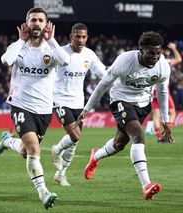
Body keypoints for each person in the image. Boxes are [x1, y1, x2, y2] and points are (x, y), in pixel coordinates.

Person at [76, 31, 174, 200]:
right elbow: (103, 84)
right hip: (121, 100)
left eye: (158, 53)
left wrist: (166, 121)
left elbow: (163, 92)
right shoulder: (125, 61)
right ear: (141, 50)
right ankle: (146, 185)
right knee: (138, 136)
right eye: (151, 53)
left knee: (119, 144)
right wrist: (87, 108)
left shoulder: (163, 66)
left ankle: (95, 156)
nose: (155, 57)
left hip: (144, 104)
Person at [0, 7, 70, 209]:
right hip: (21, 106)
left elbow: (66, 61)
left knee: (25, 152)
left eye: (40, 20)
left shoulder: (52, 49)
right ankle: (44, 193)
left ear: (46, 25)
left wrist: (52, 40)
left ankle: (8, 141)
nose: (37, 23)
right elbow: (6, 60)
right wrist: (20, 40)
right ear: (26, 24)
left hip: (44, 110)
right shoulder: (19, 47)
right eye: (33, 20)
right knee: (35, 150)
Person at [51, 23, 106, 186]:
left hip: (78, 102)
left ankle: (61, 174)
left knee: (74, 142)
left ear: (87, 37)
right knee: (75, 136)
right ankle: (56, 149)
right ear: (71, 37)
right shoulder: (60, 52)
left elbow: (104, 73)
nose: (80, 40)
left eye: (83, 37)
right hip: (60, 100)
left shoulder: (89, 55)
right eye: (77, 36)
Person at [145, 42, 182, 143]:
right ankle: (167, 136)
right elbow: (179, 59)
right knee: (172, 112)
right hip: (163, 91)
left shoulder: (150, 64)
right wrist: (174, 48)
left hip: (152, 92)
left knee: (156, 116)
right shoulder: (165, 62)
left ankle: (159, 137)